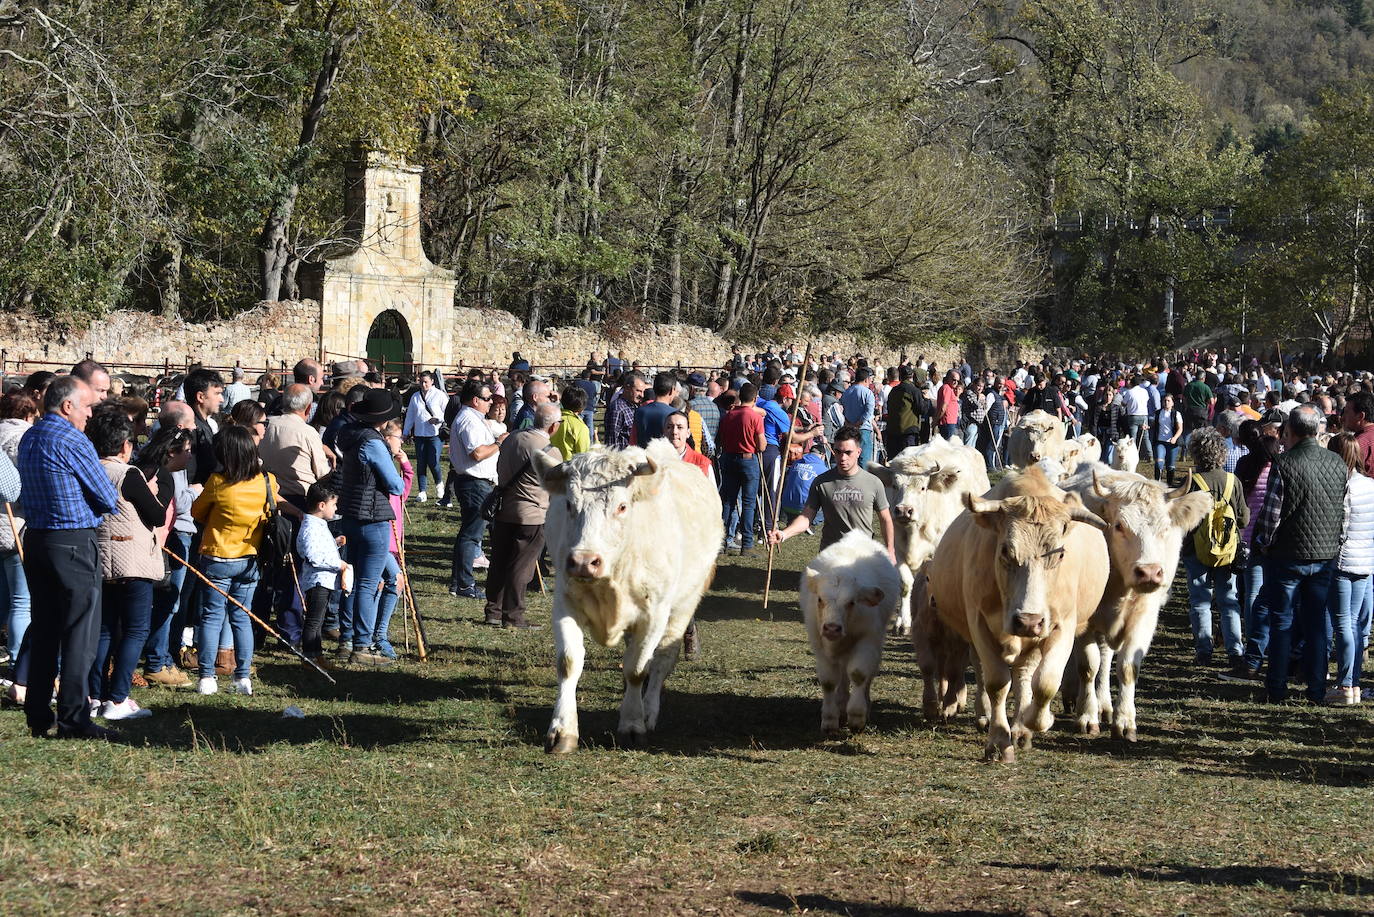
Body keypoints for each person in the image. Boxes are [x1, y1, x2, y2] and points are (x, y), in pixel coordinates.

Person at [18, 376, 121, 740]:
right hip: (73, 540)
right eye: (87, 406)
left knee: (45, 628)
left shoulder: (31, 436)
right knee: (81, 632)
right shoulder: (70, 438)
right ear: (67, 407)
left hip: (38, 539)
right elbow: (107, 496)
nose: (91, 414)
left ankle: (37, 711)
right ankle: (73, 717)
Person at [1247, 403, 1348, 704]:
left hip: (1288, 554)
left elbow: (1271, 514)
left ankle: (1277, 686)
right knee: (1316, 624)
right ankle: (1316, 688)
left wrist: (1263, 542)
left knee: (1282, 621)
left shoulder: (1284, 463)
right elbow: (1343, 512)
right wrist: (1335, 542)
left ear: (1290, 431)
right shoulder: (1337, 463)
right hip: (1324, 554)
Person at [191, 426, 298, 696]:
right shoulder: (266, 481)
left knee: (212, 617)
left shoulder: (217, 482)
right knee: (242, 617)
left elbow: (198, 512)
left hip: (217, 555)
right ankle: (242, 677)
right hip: (250, 558)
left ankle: (207, 676)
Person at [87, 407, 171, 722]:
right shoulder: (128, 474)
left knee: (105, 630)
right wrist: (153, 492)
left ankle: (95, 694)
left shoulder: (90, 469)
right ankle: (118, 697)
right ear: (125, 445)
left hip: (101, 559)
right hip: (132, 561)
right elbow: (157, 515)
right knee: (135, 629)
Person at [334, 389, 405, 664]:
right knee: (367, 583)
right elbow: (395, 485)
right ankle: (361, 646)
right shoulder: (373, 443)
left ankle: (346, 640)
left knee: (353, 582)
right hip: (372, 516)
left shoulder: (350, 435)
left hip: (350, 513)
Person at [767, 426, 896, 562]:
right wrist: (782, 534)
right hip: (831, 556)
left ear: (858, 452)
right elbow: (806, 518)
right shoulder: (821, 482)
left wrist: (890, 550)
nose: (842, 457)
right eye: (838, 452)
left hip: (862, 557)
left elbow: (885, 519)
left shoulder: (873, 482)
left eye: (848, 452)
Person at [483, 403, 560, 628]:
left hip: (504, 509)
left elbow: (499, 466)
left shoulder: (512, 439)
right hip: (533, 514)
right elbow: (557, 486)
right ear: (554, 426)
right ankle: (513, 616)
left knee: (499, 562)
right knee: (521, 567)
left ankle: (493, 611)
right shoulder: (550, 451)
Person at [1180, 428, 1249, 667]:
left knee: (1200, 600)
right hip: (1227, 551)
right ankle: (1235, 650)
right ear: (1221, 452)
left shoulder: (1192, 482)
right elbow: (1244, 519)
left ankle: (1204, 650)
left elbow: (1181, 520)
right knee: (1229, 600)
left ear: (1196, 453)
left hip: (1195, 550)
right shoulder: (1233, 481)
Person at [133, 425, 195, 688]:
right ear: (171, 452)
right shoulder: (163, 477)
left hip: (147, 546)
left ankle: (155, 659)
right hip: (151, 548)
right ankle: (156, 662)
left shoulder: (147, 469)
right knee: (165, 602)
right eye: (187, 452)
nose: (190, 457)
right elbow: (158, 514)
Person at [1323, 433, 1374, 705]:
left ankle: (1344, 685)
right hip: (1366, 560)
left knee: (1342, 622)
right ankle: (1352, 681)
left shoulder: (1342, 487)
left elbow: (1339, 527)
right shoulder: (1369, 485)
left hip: (1343, 559)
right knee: (1353, 624)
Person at [449, 380, 504, 599]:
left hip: (479, 483)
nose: (490, 402)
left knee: (469, 534)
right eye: (487, 398)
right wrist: (499, 443)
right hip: (474, 483)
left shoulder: (474, 418)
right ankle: (464, 584)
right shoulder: (468, 421)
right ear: (475, 400)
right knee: (471, 536)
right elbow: (477, 453)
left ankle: (458, 582)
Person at [0, 390, 37, 679]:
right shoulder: (25, 437)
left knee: (4, 596)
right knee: (21, 600)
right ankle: (16, 661)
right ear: (28, 414)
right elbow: (19, 486)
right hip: (13, 524)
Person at [296, 480, 348, 669]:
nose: (336, 508)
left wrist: (335, 544)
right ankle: (309, 657)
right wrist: (338, 563)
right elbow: (314, 556)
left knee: (317, 621)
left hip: (324, 580)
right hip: (317, 581)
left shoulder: (319, 524)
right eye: (334, 504)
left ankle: (316, 656)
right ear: (322, 505)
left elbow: (319, 549)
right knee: (313, 621)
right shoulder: (311, 527)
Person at [717, 382, 767, 556]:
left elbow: (721, 440)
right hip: (747, 459)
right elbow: (761, 445)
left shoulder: (728, 416)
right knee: (748, 502)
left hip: (729, 458)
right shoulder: (754, 417)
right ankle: (747, 544)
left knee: (728, 501)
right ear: (754, 399)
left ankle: (721, 542)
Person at [403, 370, 448, 503]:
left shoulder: (439, 395)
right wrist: (406, 432)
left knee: (433, 461)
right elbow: (410, 415)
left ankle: (439, 483)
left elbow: (447, 412)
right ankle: (422, 491)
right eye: (421, 382)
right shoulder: (415, 397)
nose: (423, 385)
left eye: (426, 382)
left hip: (435, 434)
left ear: (432, 381)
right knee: (421, 463)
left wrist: (438, 419)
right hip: (420, 434)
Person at [840, 367, 877, 466]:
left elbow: (842, 409)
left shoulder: (847, 392)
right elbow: (868, 412)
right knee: (864, 460)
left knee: (850, 458)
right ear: (866, 379)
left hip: (848, 428)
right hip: (863, 429)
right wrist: (858, 423)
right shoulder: (868, 393)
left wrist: (849, 422)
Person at [632, 372, 677, 445]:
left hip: (642, 455)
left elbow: (633, 440)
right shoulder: (675, 414)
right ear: (672, 390)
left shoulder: (639, 411)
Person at [664, 411, 712, 476]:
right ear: (664, 432)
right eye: (669, 427)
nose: (674, 432)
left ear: (688, 433)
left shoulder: (702, 463)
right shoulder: (654, 461)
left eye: (680, 427)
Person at [551, 386, 591, 460]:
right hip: (568, 468)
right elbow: (583, 456)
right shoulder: (580, 427)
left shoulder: (549, 419)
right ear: (582, 407)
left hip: (547, 466)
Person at [1152, 393, 1184, 484]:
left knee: (1170, 466)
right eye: (1165, 401)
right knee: (1159, 462)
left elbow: (1180, 428)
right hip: (1160, 442)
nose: (1166, 402)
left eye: (1168, 401)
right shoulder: (1158, 413)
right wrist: (1147, 427)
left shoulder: (1176, 414)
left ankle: (1169, 485)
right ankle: (1157, 483)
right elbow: (1154, 425)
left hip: (1172, 443)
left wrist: (1174, 438)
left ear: (1173, 403)